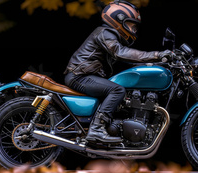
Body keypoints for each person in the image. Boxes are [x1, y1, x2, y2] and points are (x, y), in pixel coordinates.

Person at [64, 0, 172, 143]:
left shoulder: (108, 35)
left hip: (84, 75)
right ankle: (96, 129)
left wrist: (156, 61)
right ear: (118, 19)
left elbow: (129, 58)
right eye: (130, 24)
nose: (133, 30)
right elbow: (121, 53)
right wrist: (157, 54)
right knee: (117, 90)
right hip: (80, 76)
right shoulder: (105, 32)